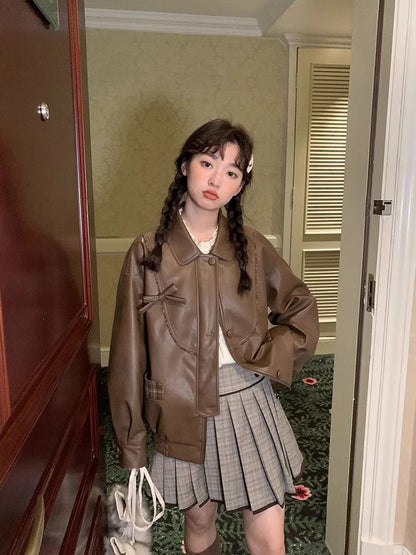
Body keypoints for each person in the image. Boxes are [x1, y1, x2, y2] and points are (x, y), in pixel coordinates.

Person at [108, 119, 319, 555]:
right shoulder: (147, 253)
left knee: (269, 532)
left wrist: (269, 358)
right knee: (199, 522)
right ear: (185, 165)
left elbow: (300, 306)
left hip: (248, 401)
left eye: (231, 171)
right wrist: (132, 444)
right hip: (180, 411)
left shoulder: (252, 248)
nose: (216, 179)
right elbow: (128, 355)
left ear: (239, 187)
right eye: (208, 163)